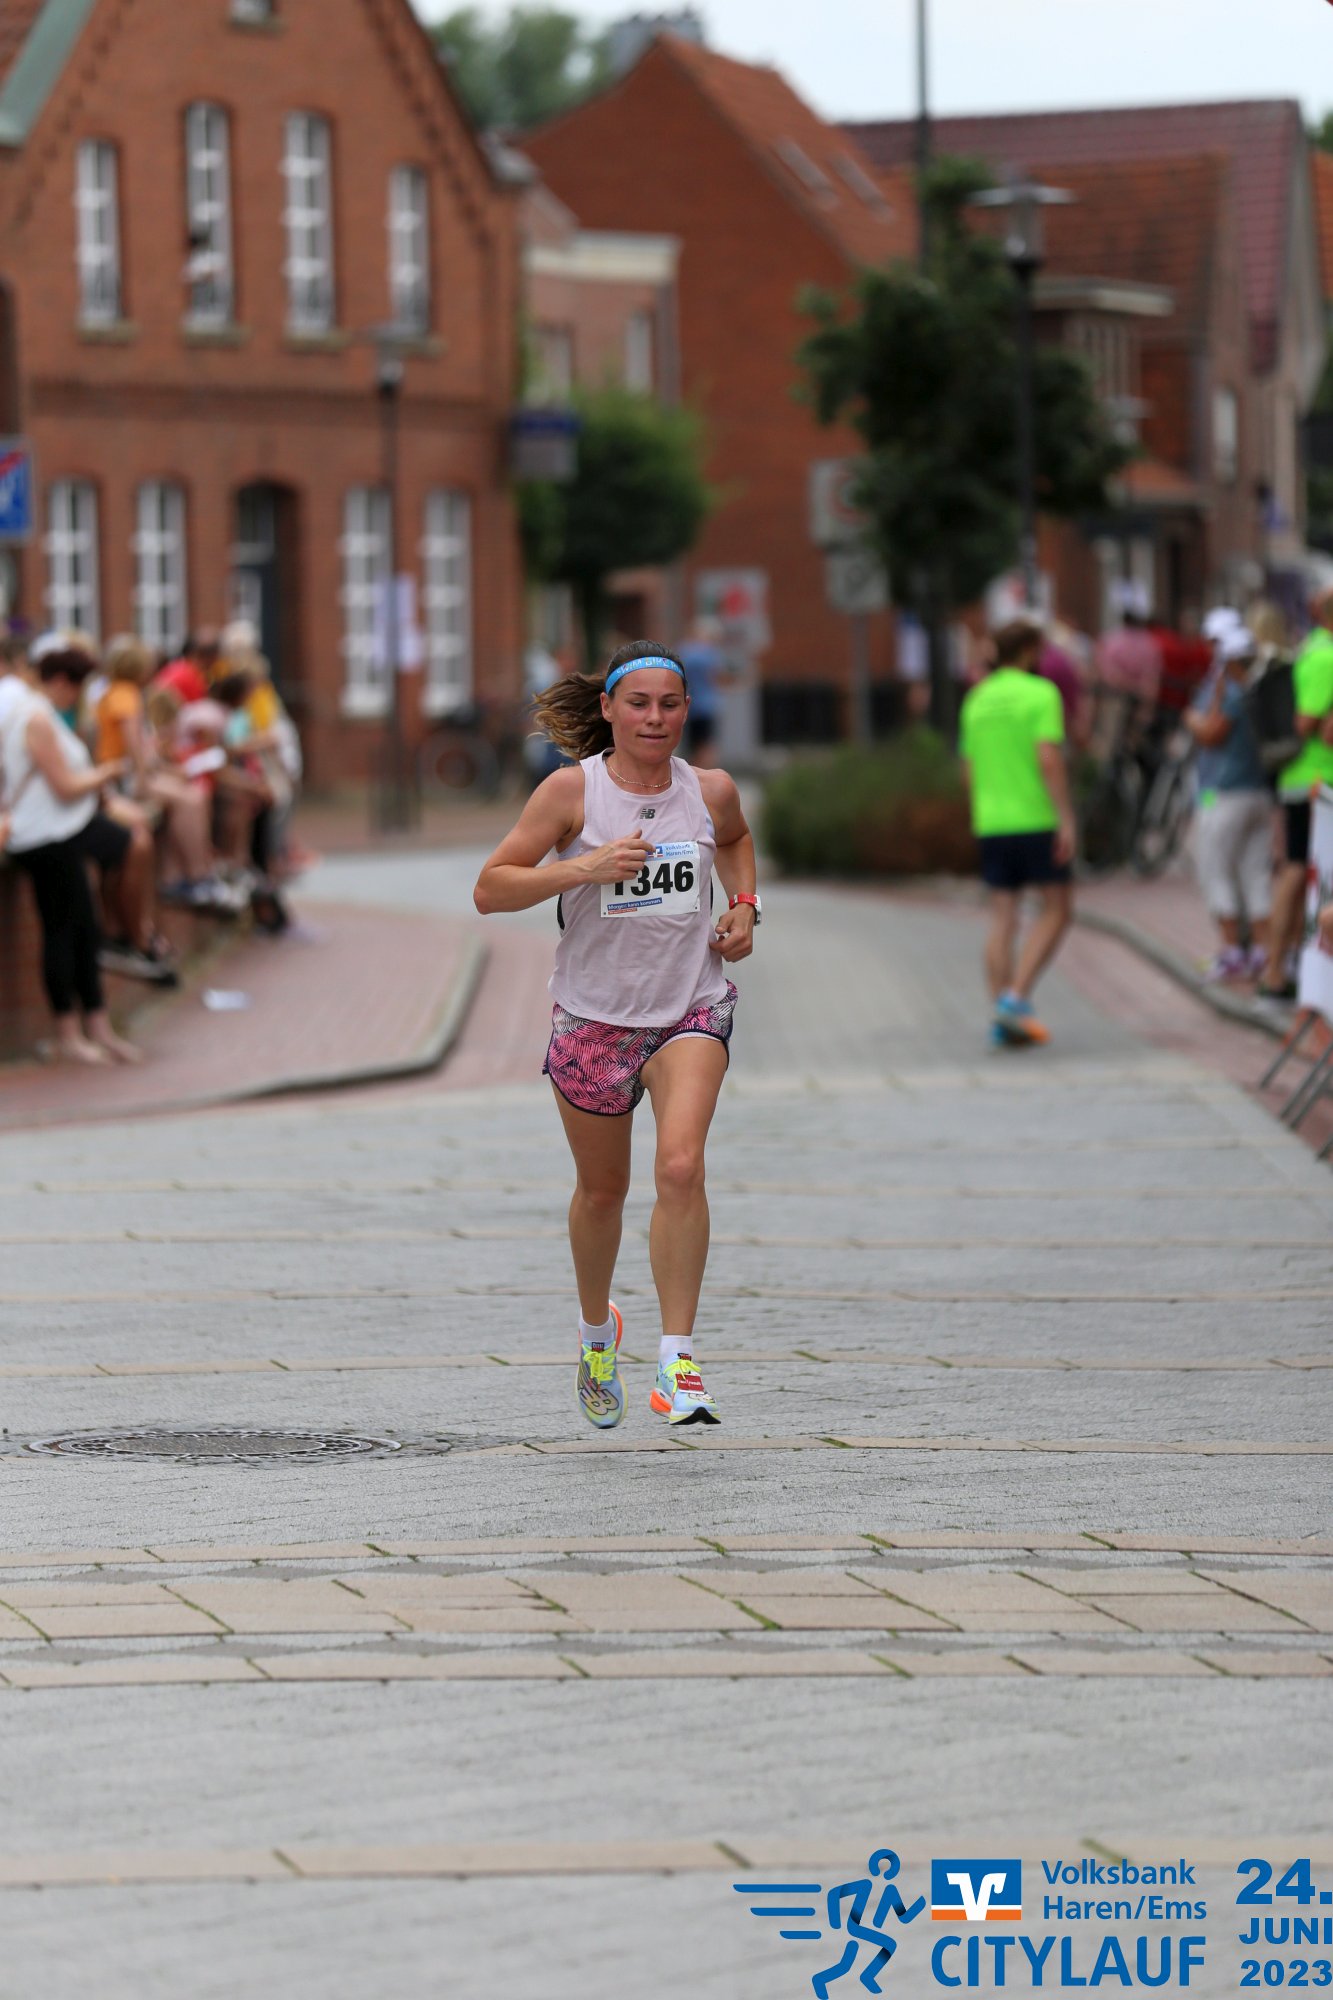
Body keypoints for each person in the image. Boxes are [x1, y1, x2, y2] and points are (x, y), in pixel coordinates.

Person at [473, 640, 760, 1431]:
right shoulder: (571, 791)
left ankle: (677, 1360)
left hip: (689, 1008)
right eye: (638, 704)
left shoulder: (710, 790)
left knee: (681, 1166)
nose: (654, 719)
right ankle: (597, 1334)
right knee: (603, 1193)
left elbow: (736, 841)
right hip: (593, 1018)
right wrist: (583, 868)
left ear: (686, 710)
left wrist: (744, 906)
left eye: (669, 705)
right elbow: (490, 889)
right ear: (608, 709)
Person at [0, 648, 140, 1063]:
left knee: (82, 929)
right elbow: (63, 786)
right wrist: (106, 773)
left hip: (55, 832)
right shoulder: (36, 718)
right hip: (46, 836)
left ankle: (94, 1026)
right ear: (61, 681)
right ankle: (70, 1032)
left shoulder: (33, 713)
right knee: (64, 932)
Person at [960, 620, 1076, 1047]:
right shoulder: (1041, 693)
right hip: (1035, 817)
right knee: (1058, 908)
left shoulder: (977, 699)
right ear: (1028, 651)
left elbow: (968, 770)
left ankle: (1001, 1014)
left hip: (991, 821)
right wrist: (1066, 818)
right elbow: (1048, 758)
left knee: (1003, 919)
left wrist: (982, 812)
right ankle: (1015, 998)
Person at [1184, 624, 1273, 982]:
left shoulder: (1232, 693)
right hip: (1260, 793)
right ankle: (1264, 951)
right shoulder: (1263, 689)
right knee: (1256, 875)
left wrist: (1192, 718)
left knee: (1215, 870)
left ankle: (1232, 950)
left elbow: (1211, 734)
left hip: (1225, 794)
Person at [1263, 586, 1333, 1001]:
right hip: (1316, 781)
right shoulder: (1326, 656)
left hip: (1303, 778)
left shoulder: (1312, 647)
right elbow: (1306, 722)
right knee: (1298, 872)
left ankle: (1283, 968)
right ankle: (1276, 970)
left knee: (1300, 871)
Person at [678, 617, 724, 765]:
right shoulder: (710, 654)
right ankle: (705, 772)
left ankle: (693, 771)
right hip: (707, 706)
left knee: (691, 746)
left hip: (689, 706)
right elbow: (716, 677)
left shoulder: (684, 651)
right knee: (706, 745)